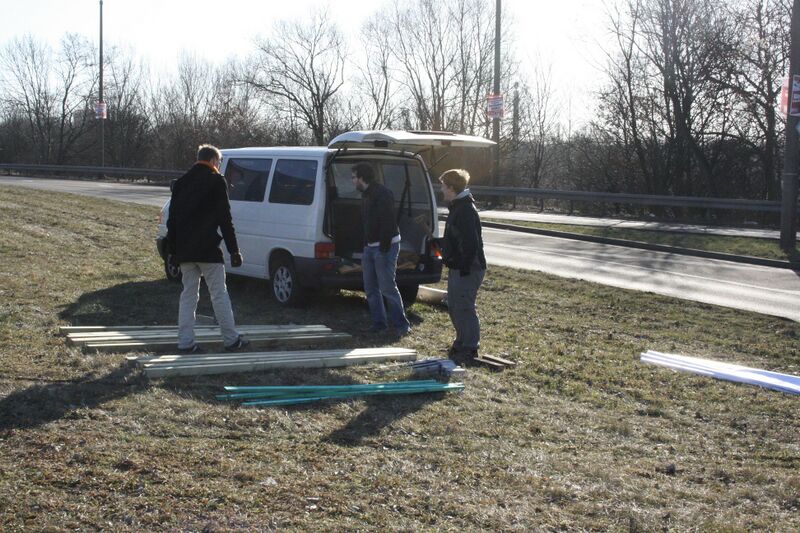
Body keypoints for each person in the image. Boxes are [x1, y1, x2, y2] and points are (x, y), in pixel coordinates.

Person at [166, 144, 250, 353]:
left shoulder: (181, 183)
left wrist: (173, 252)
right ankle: (231, 339)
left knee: (188, 295)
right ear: (213, 161)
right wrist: (234, 250)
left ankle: (185, 343)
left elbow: (172, 221)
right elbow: (225, 219)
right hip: (208, 250)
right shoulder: (216, 181)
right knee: (219, 294)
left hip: (185, 250)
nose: (219, 167)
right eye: (219, 163)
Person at [351, 162, 411, 336]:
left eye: (354, 177)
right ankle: (379, 324)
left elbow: (388, 223)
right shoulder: (366, 195)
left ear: (362, 178)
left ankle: (401, 326)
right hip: (370, 248)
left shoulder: (382, 194)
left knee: (387, 287)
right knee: (370, 288)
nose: (352, 181)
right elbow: (366, 223)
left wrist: (383, 249)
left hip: (385, 247)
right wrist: (365, 245)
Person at [438, 169, 486, 362]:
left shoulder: (465, 210)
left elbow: (470, 244)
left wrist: (464, 267)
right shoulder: (457, 207)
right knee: (455, 306)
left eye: (443, 185)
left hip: (468, 268)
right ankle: (461, 343)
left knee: (465, 307)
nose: (441, 189)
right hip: (459, 267)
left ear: (451, 187)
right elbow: (455, 239)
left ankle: (470, 347)